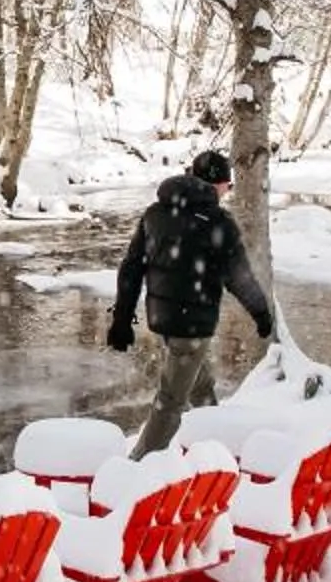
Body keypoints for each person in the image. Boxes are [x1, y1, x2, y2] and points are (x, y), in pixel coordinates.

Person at [108, 150, 275, 459]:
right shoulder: (218, 222)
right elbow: (239, 278)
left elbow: (131, 268)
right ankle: (137, 466)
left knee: (199, 382)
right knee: (170, 401)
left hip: (162, 318)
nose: (228, 191)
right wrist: (261, 313)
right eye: (227, 184)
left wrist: (122, 318)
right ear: (216, 184)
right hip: (193, 323)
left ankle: (214, 443)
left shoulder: (156, 213)